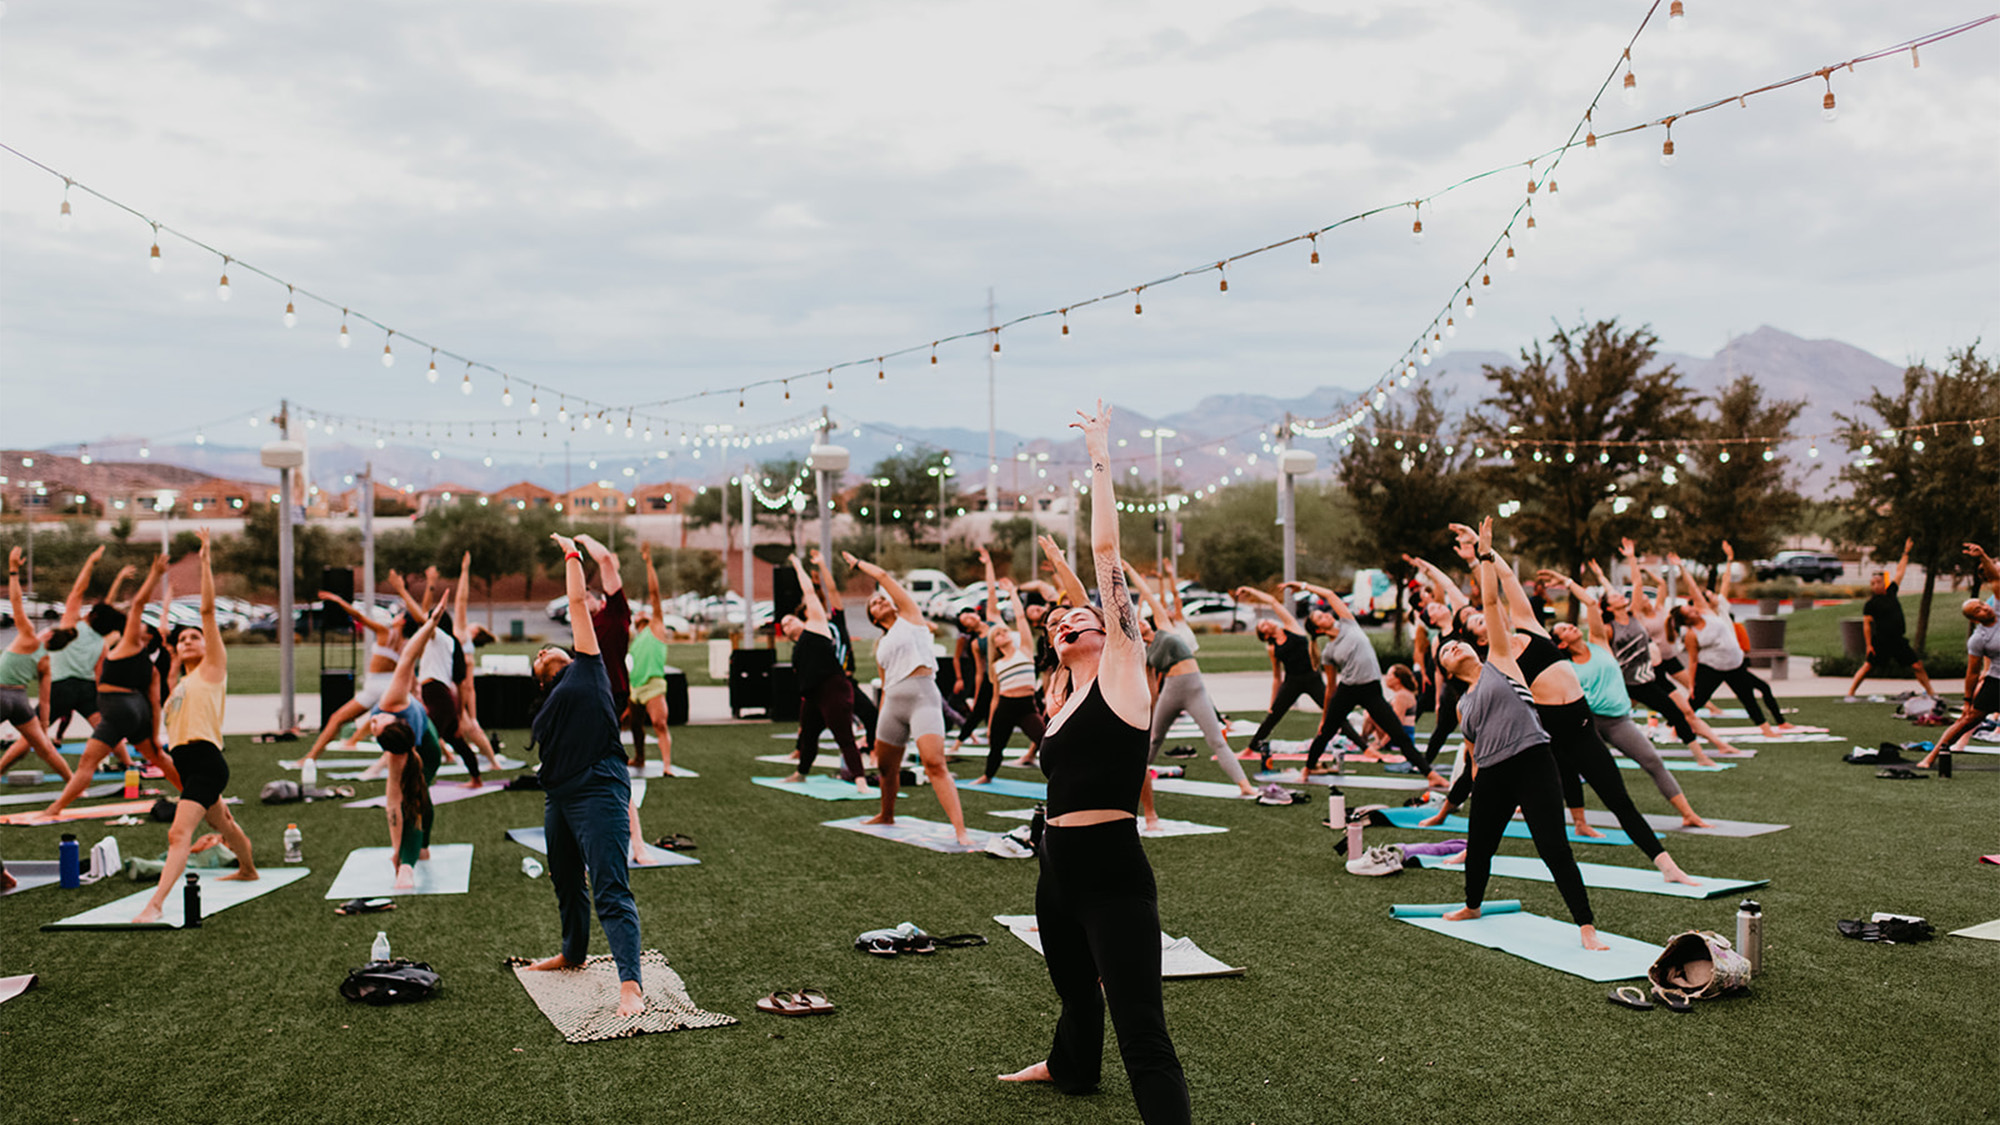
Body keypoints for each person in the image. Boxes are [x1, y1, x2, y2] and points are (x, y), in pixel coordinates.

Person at [999, 402, 1190, 1124]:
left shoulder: (1120, 668)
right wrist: (1051, 582)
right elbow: (1067, 610)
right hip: (1056, 864)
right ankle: (1070, 1065)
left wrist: (1100, 457)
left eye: (1075, 613)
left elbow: (1106, 561)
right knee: (1077, 994)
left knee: (1142, 1029)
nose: (1065, 617)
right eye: (1056, 620)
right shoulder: (1064, 691)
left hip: (1113, 870)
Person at [1428, 526, 1698, 886]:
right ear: (1480, 636)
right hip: (1547, 740)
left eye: (1482, 616)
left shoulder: (1530, 627)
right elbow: (1488, 600)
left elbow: (1506, 579)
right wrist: (1476, 567)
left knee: (1620, 800)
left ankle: (1668, 866)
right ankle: (1473, 850)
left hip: (1583, 730)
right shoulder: (1500, 659)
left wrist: (1484, 550)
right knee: (1500, 798)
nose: (1487, 616)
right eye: (1477, 621)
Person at [1434, 517, 1607, 951]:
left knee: (1553, 847)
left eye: (1455, 642)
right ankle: (1473, 904)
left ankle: (1586, 927)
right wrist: (1460, 796)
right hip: (1492, 775)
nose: (1454, 645)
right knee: (1481, 845)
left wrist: (1484, 556)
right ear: (1447, 670)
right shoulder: (1462, 704)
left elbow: (1491, 605)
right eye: (1446, 651)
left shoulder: (1501, 661)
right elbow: (1472, 755)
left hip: (1533, 763)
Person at [523, 532, 646, 1020]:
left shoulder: (589, 668)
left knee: (611, 886)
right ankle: (573, 951)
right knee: (566, 879)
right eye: (538, 656)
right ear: (541, 678)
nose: (545, 651)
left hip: (599, 788)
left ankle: (631, 985)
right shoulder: (548, 704)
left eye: (552, 649)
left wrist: (571, 554)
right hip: (559, 797)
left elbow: (577, 601)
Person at [133, 531, 257, 923]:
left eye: (194, 638)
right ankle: (248, 868)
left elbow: (206, 613)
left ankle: (155, 905)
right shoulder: (180, 685)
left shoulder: (212, 670)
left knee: (177, 834)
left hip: (206, 760)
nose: (188, 640)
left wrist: (205, 561)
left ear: (206, 646)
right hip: (187, 765)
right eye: (182, 639)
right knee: (226, 825)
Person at [840, 550, 973, 846]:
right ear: (873, 617)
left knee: (935, 763)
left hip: (923, 696)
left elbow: (885, 579)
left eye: (881, 599)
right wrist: (878, 727)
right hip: (893, 705)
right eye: (874, 603)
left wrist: (859, 564)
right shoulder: (882, 645)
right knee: (887, 768)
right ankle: (886, 814)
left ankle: (960, 831)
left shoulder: (911, 618)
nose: (880, 601)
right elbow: (885, 685)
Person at [38, 555, 180, 819]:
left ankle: (55, 809)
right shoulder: (148, 664)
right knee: (159, 758)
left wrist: (155, 573)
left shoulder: (126, 645)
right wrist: (156, 737)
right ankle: (193, 793)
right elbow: (154, 703)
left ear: (143, 636)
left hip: (117, 710)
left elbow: (137, 603)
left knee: (87, 764)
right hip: (138, 712)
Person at [1285, 579, 1446, 787]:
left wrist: (1305, 587)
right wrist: (1325, 716)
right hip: (1348, 691)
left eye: (1322, 612)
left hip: (1371, 690)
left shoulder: (1348, 622)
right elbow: (1331, 689)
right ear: (1318, 630)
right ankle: (1307, 770)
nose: (1324, 614)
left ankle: (1430, 775)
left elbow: (1331, 595)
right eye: (1319, 617)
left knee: (1398, 733)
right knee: (1325, 733)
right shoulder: (1328, 652)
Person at [1122, 561, 1255, 802]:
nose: (1140, 622)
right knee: (1153, 739)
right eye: (1136, 624)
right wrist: (1150, 708)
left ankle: (1244, 784)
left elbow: (1150, 597)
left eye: (1141, 620)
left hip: (1195, 688)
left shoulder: (1165, 627)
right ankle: (1133, 783)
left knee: (1216, 739)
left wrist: (1130, 571)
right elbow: (1151, 686)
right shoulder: (1145, 652)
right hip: (1171, 692)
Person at [355, 604, 450, 889]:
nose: (373, 723)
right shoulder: (396, 750)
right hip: (419, 749)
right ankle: (416, 852)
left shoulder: (392, 701)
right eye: (376, 726)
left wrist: (431, 623)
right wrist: (395, 850)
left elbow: (409, 656)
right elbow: (391, 806)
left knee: (418, 803)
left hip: (429, 752)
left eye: (375, 724)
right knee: (415, 801)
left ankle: (410, 862)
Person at [1, 547, 118, 765]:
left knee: (29, 741)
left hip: (60, 688)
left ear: (92, 615)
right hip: (86, 688)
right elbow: (100, 673)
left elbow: (77, 590)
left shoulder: (70, 625)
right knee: (105, 727)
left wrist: (90, 562)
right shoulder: (101, 642)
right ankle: (128, 762)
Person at [1668, 547, 1790, 738]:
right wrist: (1691, 685)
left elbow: (1692, 587)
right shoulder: (1692, 634)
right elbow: (1693, 661)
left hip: (1735, 665)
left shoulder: (1707, 611)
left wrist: (1682, 568)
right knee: (1697, 700)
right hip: (1712, 669)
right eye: (1689, 611)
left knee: (1748, 698)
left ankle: (1767, 730)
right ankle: (1676, 729)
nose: (1694, 610)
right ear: (1687, 620)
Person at [778, 553, 869, 792]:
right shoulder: (797, 649)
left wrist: (798, 565)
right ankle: (801, 773)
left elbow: (809, 592)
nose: (788, 623)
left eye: (790, 620)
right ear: (786, 635)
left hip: (834, 688)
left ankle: (861, 780)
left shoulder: (817, 626)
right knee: (808, 736)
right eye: (785, 625)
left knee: (844, 736)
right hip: (812, 695)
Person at [1915, 543, 2000, 770]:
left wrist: (1982, 555)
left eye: (1982, 604)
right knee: (1969, 721)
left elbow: (1996, 579)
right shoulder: (1979, 639)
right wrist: (1966, 701)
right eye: (1978, 610)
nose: (1985, 608)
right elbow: (1972, 672)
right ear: (1974, 619)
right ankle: (1931, 757)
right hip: (1996, 681)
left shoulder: (1999, 608)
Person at [970, 548, 1048, 787]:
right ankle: (987, 775)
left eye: (1005, 631)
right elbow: (994, 697)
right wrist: (991, 723)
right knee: (997, 747)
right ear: (996, 642)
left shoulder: (1024, 648)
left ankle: (1061, 776)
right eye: (1000, 633)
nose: (1005, 633)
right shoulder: (998, 664)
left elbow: (1021, 619)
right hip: (1005, 705)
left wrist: (1013, 593)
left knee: (1046, 742)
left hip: (1026, 705)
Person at [303, 589, 403, 759]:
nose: (396, 617)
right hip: (391, 686)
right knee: (376, 716)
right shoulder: (407, 642)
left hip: (377, 686)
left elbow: (359, 617)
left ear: (404, 621)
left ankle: (310, 757)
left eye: (400, 616)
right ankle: (353, 741)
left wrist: (338, 599)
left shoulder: (386, 633)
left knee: (337, 719)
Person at [1235, 585, 1323, 766]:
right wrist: (1272, 704)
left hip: (1311, 678)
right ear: (1264, 633)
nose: (1268, 622)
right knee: (1272, 717)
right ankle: (1250, 748)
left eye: (1266, 621)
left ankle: (1365, 748)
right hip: (1292, 682)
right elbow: (1277, 677)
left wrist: (1251, 591)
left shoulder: (1291, 627)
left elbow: (1273, 602)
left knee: (1333, 712)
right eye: (1263, 625)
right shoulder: (1272, 647)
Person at [0, 548, 68, 783]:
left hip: (1, 693)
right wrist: (44, 726)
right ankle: (73, 783)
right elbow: (45, 700)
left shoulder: (29, 635)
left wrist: (13, 571)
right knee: (44, 749)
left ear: (48, 635)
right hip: (20, 703)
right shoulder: (45, 660)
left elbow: (16, 601)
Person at [1846, 538, 1937, 701]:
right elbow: (1867, 626)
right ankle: (1850, 694)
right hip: (1881, 641)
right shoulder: (1870, 604)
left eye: (1878, 582)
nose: (1875, 585)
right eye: (1872, 583)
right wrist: (1868, 646)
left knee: (1917, 665)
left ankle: (1931, 692)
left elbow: (1900, 571)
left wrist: (1906, 552)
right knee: (1868, 666)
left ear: (1883, 583)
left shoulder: (1891, 592)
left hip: (1898, 641)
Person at [625, 543, 674, 771]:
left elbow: (654, 594)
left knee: (659, 724)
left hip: (653, 685)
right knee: (635, 726)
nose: (641, 613)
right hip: (635, 687)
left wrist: (648, 563)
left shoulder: (656, 627)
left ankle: (667, 766)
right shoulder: (635, 639)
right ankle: (640, 758)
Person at [949, 608, 992, 752]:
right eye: (965, 618)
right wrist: (959, 679)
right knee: (976, 711)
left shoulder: (992, 625)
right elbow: (957, 659)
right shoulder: (971, 641)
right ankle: (959, 743)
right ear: (966, 627)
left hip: (996, 674)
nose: (970, 617)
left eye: (970, 613)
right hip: (977, 673)